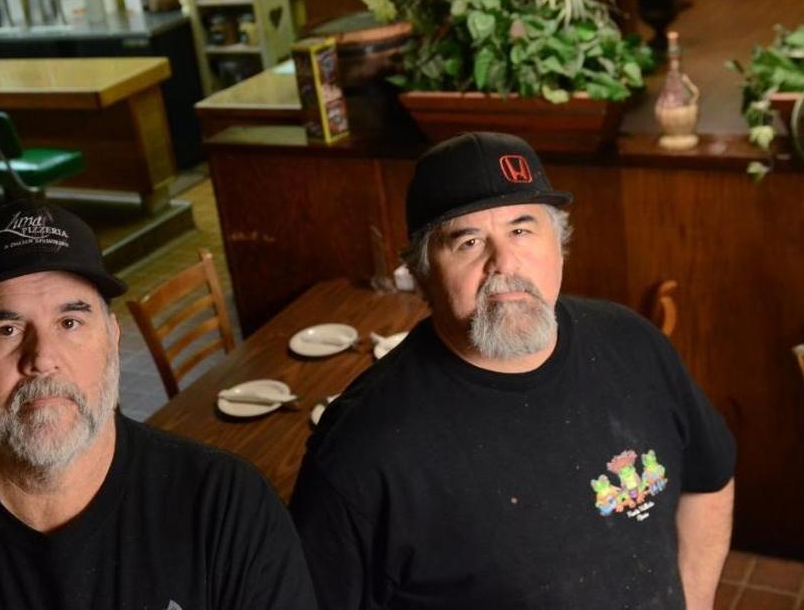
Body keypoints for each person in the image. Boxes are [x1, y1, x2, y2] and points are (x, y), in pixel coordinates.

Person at [289, 132, 735, 610]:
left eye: (521, 229)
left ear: (559, 244)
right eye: (469, 241)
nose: (503, 261)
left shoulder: (634, 343)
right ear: (422, 275)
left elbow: (710, 480)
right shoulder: (361, 449)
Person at [0, 200, 317, 610]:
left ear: (113, 337)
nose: (42, 360)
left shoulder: (225, 507)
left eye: (70, 323)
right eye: (6, 329)